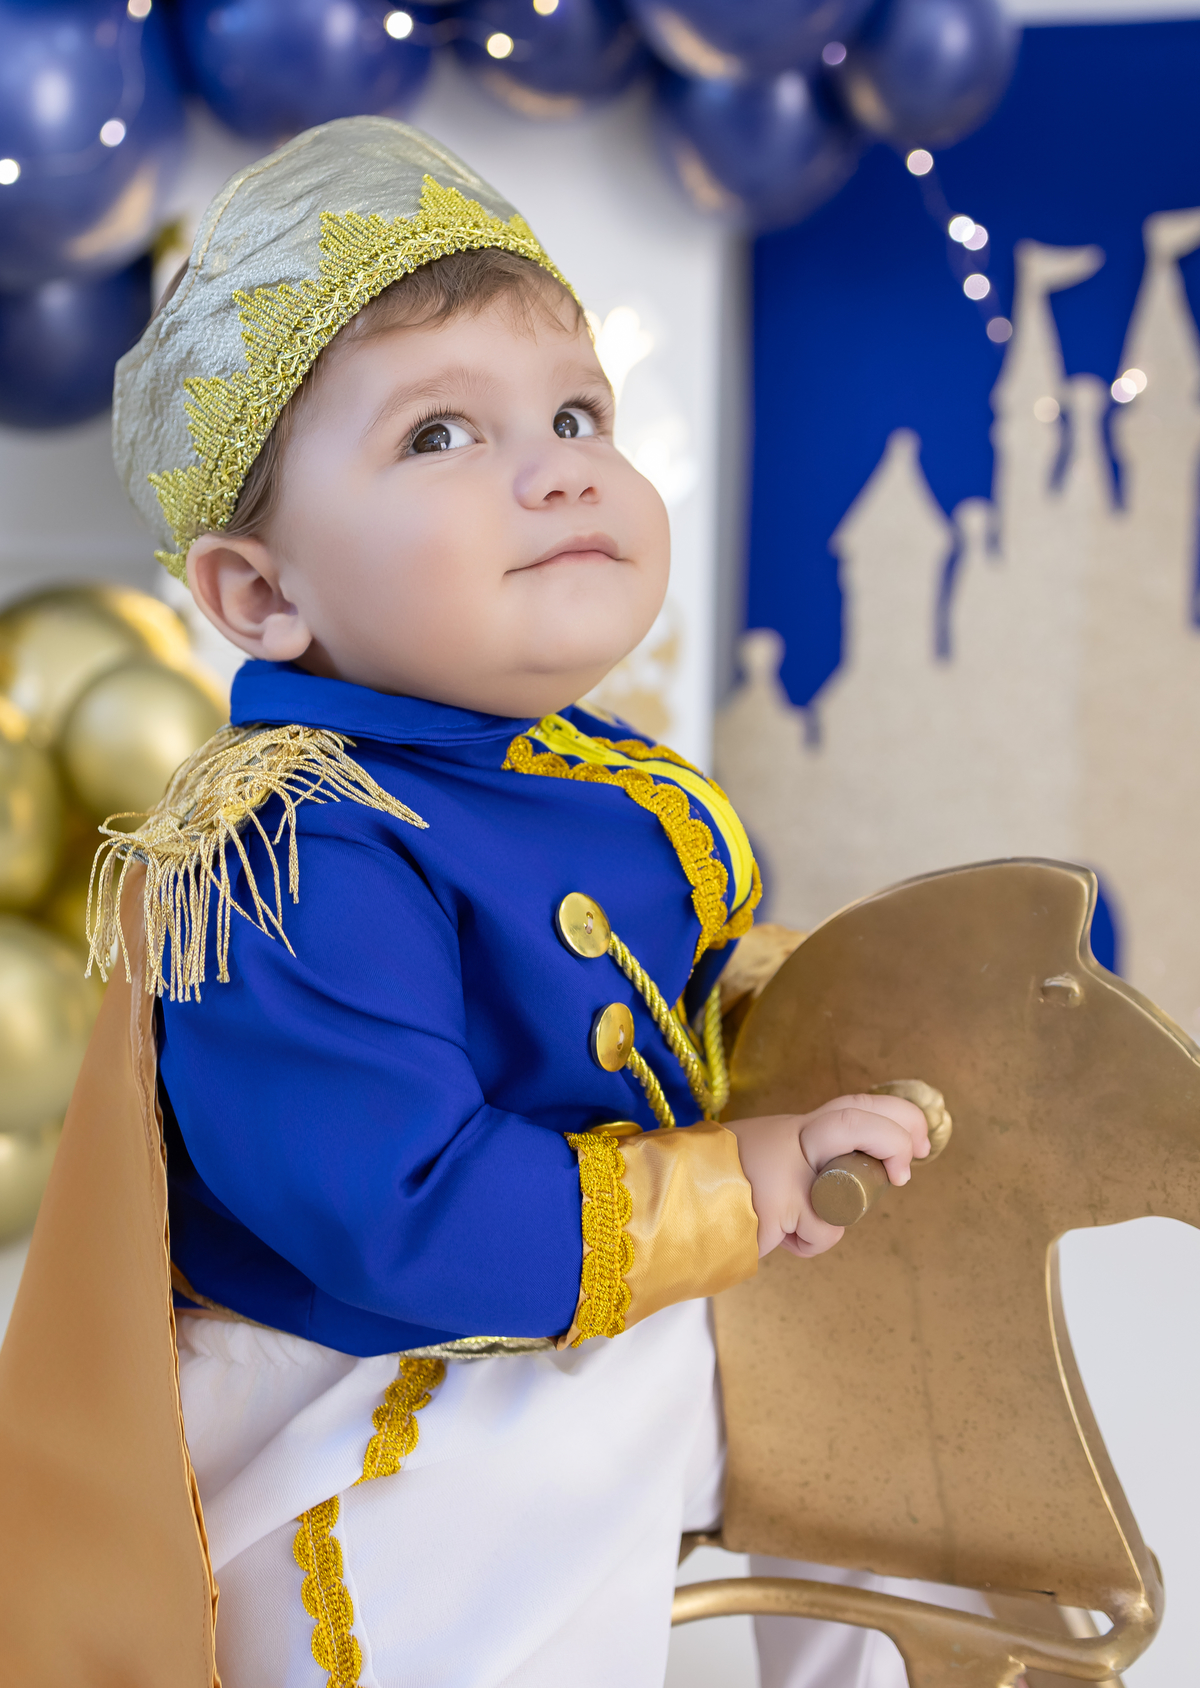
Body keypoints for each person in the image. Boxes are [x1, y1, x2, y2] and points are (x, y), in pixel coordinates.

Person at [1, 117, 928, 1687]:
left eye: (576, 410)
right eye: (442, 436)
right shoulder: (291, 852)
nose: (558, 460)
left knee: (878, 1385)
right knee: (531, 1511)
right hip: (373, 1377)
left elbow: (682, 988)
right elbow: (403, 1214)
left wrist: (808, 1045)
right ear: (261, 596)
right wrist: (731, 1185)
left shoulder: (587, 773)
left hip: (580, 1295)